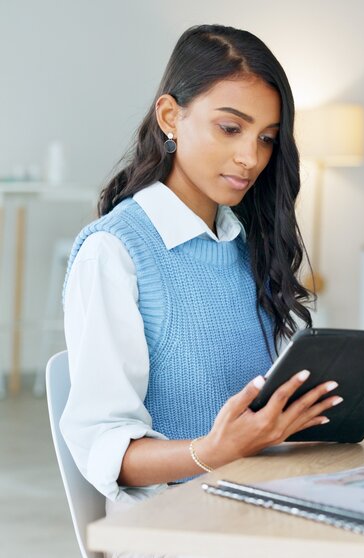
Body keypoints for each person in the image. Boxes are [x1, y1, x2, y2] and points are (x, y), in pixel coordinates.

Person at [60, 22, 342, 518]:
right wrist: (211, 451)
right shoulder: (115, 252)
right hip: (176, 527)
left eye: (267, 139)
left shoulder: (246, 246)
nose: (250, 158)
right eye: (230, 128)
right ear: (170, 116)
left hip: (265, 506)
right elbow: (105, 449)